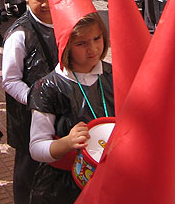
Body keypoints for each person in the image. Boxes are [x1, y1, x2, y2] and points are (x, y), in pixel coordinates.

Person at [28, 12, 114, 204]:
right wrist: (67, 142)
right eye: (81, 43)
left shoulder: (113, 75)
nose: (92, 49)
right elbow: (36, 147)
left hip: (109, 179)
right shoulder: (48, 87)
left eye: (97, 38)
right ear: (66, 44)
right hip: (63, 185)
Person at [2, 0, 57, 204]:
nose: (45, 4)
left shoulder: (64, 20)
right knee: (28, 168)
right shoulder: (19, 34)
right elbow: (9, 80)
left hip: (57, 109)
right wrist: (36, 102)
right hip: (28, 114)